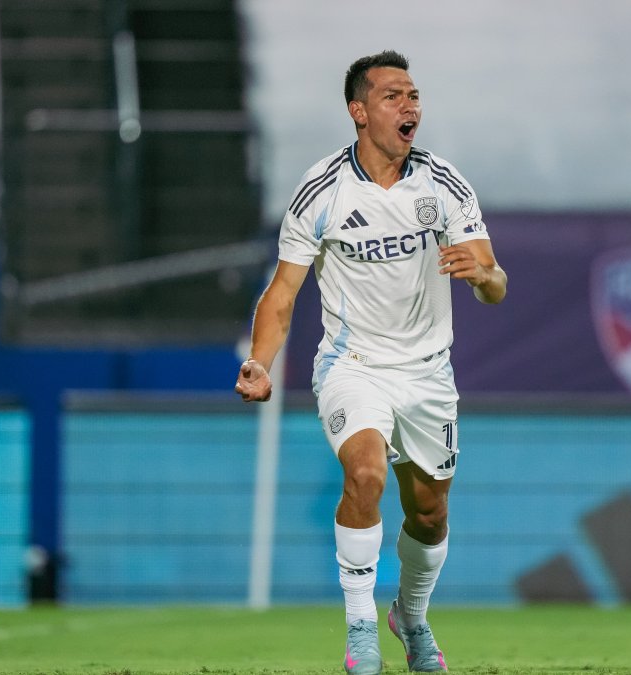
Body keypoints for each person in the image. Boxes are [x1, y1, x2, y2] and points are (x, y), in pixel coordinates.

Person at [235, 49, 507, 675]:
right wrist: (259, 361)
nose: (410, 106)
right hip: (352, 364)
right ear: (359, 111)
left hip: (428, 372)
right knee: (365, 476)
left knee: (430, 511)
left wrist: (484, 274)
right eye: (393, 96)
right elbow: (281, 295)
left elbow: (495, 284)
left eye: (413, 95)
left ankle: (409, 614)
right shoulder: (321, 193)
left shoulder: (445, 185)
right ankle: (361, 628)